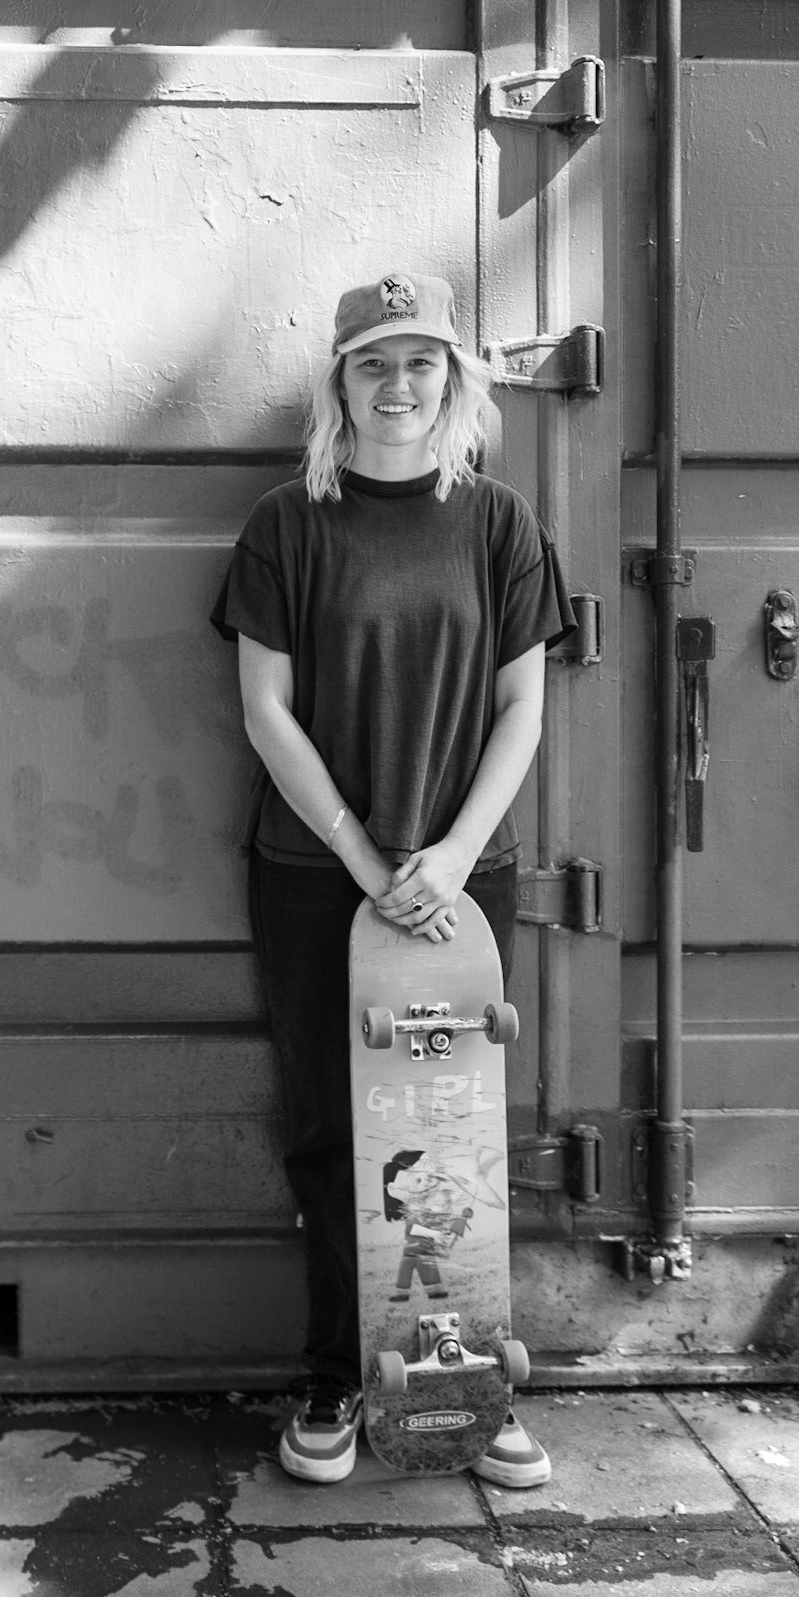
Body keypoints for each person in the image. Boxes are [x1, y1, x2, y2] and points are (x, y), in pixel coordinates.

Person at [211, 270, 574, 1488]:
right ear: (340, 385)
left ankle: (462, 1381)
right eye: (374, 363)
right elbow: (265, 709)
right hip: (320, 877)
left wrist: (459, 852)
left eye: (422, 362)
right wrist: (366, 859)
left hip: (466, 882)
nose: (399, 385)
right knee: (330, 1129)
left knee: (453, 1133)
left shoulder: (500, 522)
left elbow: (523, 705)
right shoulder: (287, 525)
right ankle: (336, 1377)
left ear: (455, 381)